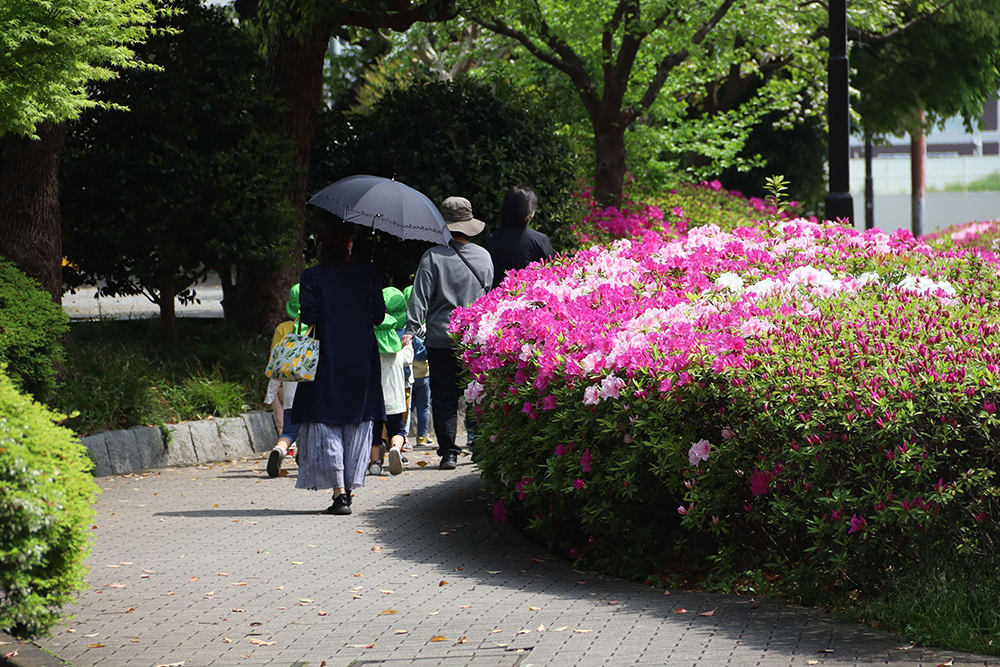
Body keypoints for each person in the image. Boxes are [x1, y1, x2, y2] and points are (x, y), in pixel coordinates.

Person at [292, 212, 385, 515]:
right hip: (361, 357)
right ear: (349, 245)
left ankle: (339, 494)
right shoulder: (368, 274)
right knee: (356, 421)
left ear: (320, 245)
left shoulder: (312, 277)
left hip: (326, 356)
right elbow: (379, 316)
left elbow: (308, 316)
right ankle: (350, 485)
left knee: (325, 419)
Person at [403, 196, 493, 470]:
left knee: (443, 395)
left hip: (440, 339)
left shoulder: (432, 257)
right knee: (476, 392)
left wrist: (411, 328)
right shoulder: (484, 257)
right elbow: (489, 296)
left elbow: (420, 298)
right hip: (474, 340)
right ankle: (478, 446)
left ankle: (449, 453)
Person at [264, 284, 306, 478]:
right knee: (309, 429)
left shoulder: (283, 329)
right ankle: (303, 456)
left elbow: (275, 360)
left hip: (289, 390)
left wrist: (271, 393)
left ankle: (279, 450)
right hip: (311, 392)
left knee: (289, 432)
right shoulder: (317, 328)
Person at [371, 286, 413, 476]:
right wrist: (408, 344)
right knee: (398, 431)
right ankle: (395, 449)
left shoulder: (369, 357)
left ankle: (374, 464)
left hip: (374, 404)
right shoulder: (398, 356)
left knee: (375, 435)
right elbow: (409, 355)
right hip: (395, 403)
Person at [482, 185, 555, 290]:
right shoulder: (540, 240)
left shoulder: (489, 239)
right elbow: (551, 274)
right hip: (530, 300)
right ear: (529, 214)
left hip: (495, 300)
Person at [403, 285, 432, 448]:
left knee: (408, 406)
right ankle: (422, 436)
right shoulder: (426, 327)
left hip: (408, 374)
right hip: (424, 373)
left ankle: (404, 437)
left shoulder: (405, 329)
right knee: (423, 406)